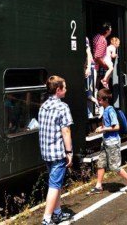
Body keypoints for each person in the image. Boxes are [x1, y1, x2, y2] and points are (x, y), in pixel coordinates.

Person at [89, 89, 127, 195]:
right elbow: (108, 125)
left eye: (99, 99)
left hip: (112, 142)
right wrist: (101, 128)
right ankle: (98, 186)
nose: (98, 101)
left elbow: (116, 126)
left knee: (114, 167)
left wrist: (103, 129)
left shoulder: (110, 110)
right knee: (101, 163)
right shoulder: (105, 109)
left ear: (105, 100)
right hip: (106, 141)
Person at [38, 76, 73, 225]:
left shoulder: (43, 106)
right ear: (58, 90)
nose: (66, 89)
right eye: (64, 87)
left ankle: (57, 213)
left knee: (55, 183)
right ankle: (47, 219)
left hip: (46, 152)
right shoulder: (62, 107)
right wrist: (69, 152)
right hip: (58, 153)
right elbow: (66, 131)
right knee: (54, 185)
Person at [92, 22, 112, 89]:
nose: (111, 29)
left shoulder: (97, 36)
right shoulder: (102, 40)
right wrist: (105, 66)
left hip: (93, 66)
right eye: (110, 27)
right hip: (95, 67)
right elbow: (97, 56)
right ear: (107, 31)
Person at [84, 37, 99, 118]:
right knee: (87, 92)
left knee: (89, 92)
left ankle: (92, 111)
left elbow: (88, 52)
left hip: (89, 67)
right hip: (86, 67)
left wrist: (88, 67)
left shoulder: (85, 39)